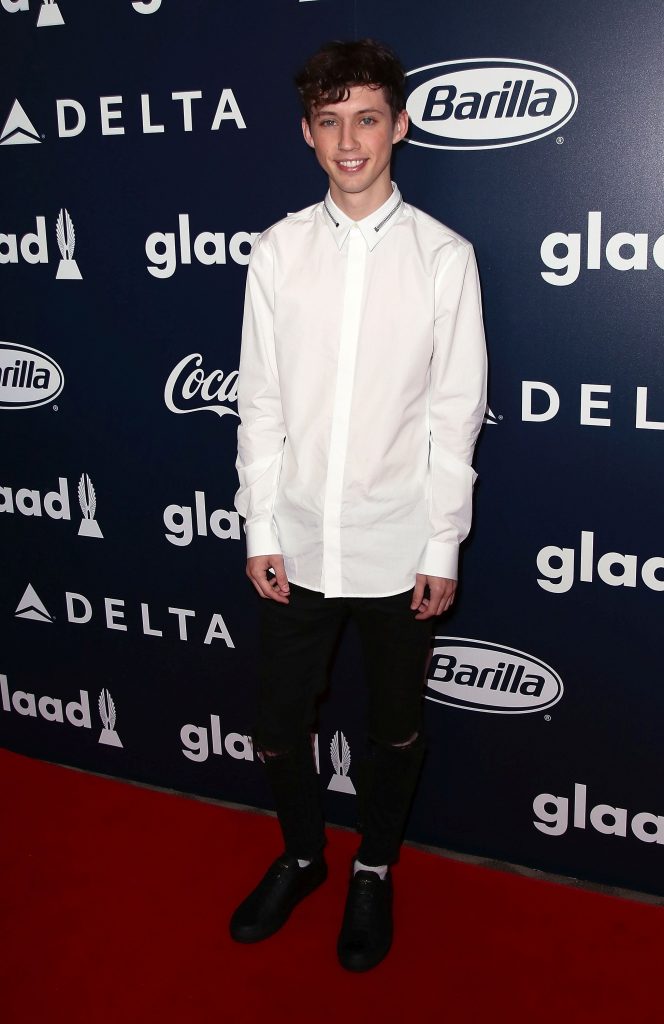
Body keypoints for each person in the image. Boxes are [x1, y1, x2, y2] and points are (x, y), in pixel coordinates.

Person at [231, 38, 487, 972]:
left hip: (395, 548)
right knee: (275, 725)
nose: (350, 140)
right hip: (296, 543)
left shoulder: (444, 260)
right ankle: (303, 856)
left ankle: (372, 868)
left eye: (367, 118)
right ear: (307, 133)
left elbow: (455, 417)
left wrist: (442, 546)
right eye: (330, 121)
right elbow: (258, 403)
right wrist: (260, 525)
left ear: (399, 126)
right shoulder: (278, 251)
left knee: (394, 729)